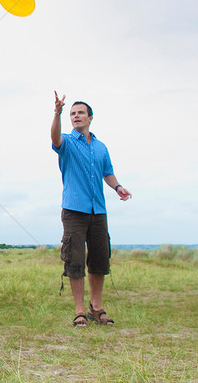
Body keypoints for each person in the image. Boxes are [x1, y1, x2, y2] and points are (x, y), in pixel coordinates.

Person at [50, 91, 131, 327]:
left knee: (99, 259)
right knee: (74, 260)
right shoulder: (66, 142)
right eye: (72, 113)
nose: (75, 116)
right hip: (74, 210)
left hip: (99, 211)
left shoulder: (101, 147)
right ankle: (79, 312)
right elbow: (54, 139)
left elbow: (107, 172)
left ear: (90, 118)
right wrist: (57, 112)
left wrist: (118, 187)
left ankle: (96, 308)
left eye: (80, 113)